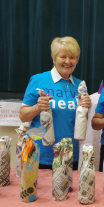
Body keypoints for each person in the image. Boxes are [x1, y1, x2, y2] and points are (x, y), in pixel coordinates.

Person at [19, 36, 91, 170]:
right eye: (63, 57)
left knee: (68, 191)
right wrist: (37, 107)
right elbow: (23, 116)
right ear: (54, 58)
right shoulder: (38, 80)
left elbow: (79, 121)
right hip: (40, 154)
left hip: (69, 153)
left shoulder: (80, 85)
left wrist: (87, 107)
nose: (67, 61)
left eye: (72, 57)